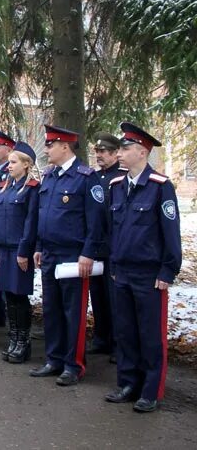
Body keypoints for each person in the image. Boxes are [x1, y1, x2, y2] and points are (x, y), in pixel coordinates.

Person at [104, 123, 181, 413]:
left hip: (149, 274)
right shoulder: (117, 186)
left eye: (125, 148)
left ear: (142, 152)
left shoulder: (161, 186)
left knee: (150, 334)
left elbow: (170, 233)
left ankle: (150, 390)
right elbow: (114, 230)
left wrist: (168, 270)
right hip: (121, 270)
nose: (120, 153)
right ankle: (127, 383)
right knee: (125, 331)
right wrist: (114, 263)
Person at [30, 125, 104, 386]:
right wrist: (38, 246)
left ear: (65, 146)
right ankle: (54, 359)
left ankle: (73, 365)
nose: (46, 149)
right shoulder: (49, 176)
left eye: (51, 144)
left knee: (73, 311)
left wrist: (88, 253)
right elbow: (43, 216)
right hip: (50, 252)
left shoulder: (86, 177)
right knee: (52, 309)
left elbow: (96, 222)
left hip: (74, 255)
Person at [0, 142, 40, 363]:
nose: (8, 166)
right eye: (8, 162)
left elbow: (31, 223)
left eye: (13, 162)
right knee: (8, 294)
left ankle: (23, 342)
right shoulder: (5, 187)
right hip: (3, 249)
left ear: (26, 164)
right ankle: (14, 337)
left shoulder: (32, 188)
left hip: (19, 250)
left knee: (19, 295)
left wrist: (24, 251)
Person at [90, 132, 123, 362]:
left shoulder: (121, 177)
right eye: (97, 152)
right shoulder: (94, 177)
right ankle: (101, 337)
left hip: (114, 245)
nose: (99, 156)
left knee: (115, 297)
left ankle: (118, 343)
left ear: (114, 153)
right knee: (98, 294)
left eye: (103, 152)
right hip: (96, 245)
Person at [0, 129, 16, 327]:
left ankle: (7, 318)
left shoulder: (12, 173)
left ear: (9, 149)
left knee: (9, 285)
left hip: (10, 235)